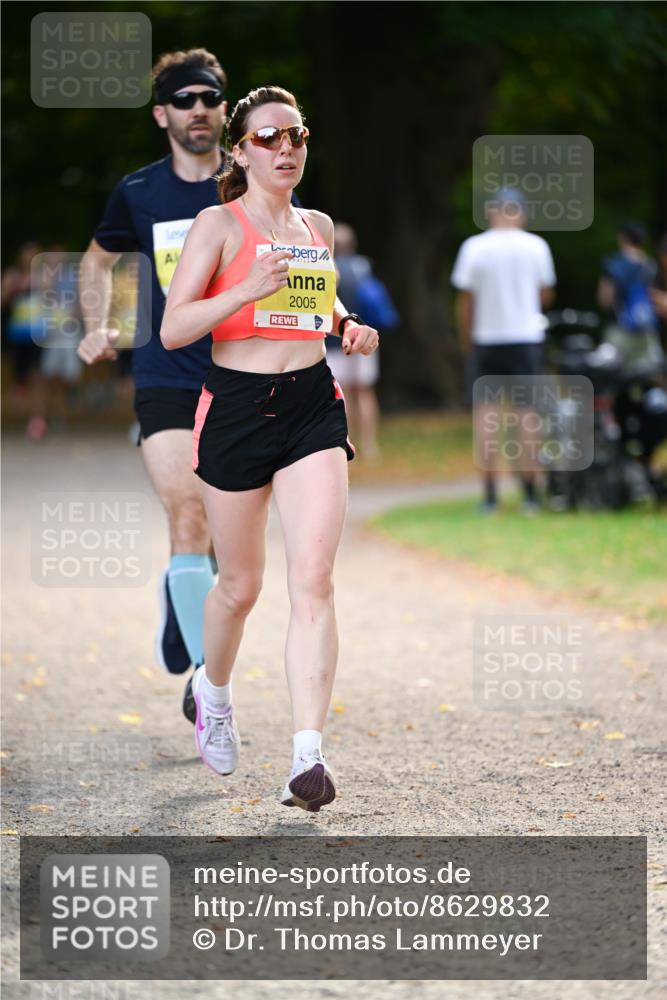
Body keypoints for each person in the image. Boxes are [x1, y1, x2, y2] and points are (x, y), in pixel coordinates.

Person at [160, 85, 379, 812]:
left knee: (313, 581)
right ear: (239, 150)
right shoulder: (215, 226)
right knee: (240, 586)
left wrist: (347, 325)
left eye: (296, 135)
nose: (285, 148)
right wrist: (244, 288)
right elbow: (176, 328)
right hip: (238, 410)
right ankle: (212, 693)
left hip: (313, 404)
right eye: (268, 138)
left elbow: (317, 304)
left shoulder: (315, 224)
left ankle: (306, 759)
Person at [77, 49, 230, 717]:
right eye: (185, 99)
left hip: (242, 377)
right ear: (161, 113)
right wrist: (97, 323)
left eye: (210, 98)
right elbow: (96, 261)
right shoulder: (138, 192)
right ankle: (205, 679)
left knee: (222, 528)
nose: (199, 109)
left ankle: (183, 601)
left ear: (225, 109)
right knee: (189, 512)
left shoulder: (256, 183)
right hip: (165, 373)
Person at [451, 187, 556, 513]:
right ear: (520, 212)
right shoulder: (536, 246)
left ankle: (490, 496)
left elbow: (465, 302)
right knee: (527, 418)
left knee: (487, 418)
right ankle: (529, 494)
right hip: (525, 339)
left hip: (487, 340)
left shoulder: (474, 247)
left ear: (492, 212)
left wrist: (468, 341)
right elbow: (545, 295)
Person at [325, 222, 398, 460]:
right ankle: (370, 445)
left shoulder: (328, 269)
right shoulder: (363, 266)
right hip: (364, 339)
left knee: (342, 394)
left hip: (336, 343)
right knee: (365, 392)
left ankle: (347, 442)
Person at [598, 220, 662, 369]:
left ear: (623, 238)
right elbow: (653, 296)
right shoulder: (650, 265)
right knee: (647, 376)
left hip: (618, 330)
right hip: (646, 329)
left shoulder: (613, 263)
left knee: (610, 377)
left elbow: (605, 300)